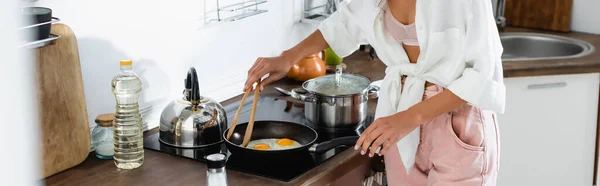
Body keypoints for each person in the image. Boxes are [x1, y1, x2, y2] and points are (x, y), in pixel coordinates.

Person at [244, 0, 505, 185]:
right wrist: (288, 57)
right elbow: (345, 22)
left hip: (453, 123)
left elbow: (483, 75)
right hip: (399, 115)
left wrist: (408, 119)